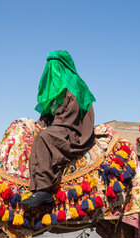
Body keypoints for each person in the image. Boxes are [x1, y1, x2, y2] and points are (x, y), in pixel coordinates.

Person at [21, 50, 96, 208]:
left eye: (54, 65)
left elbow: (69, 117)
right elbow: (48, 116)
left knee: (44, 137)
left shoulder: (75, 87)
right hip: (59, 127)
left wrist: (47, 128)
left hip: (73, 131)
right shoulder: (55, 92)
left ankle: (44, 190)